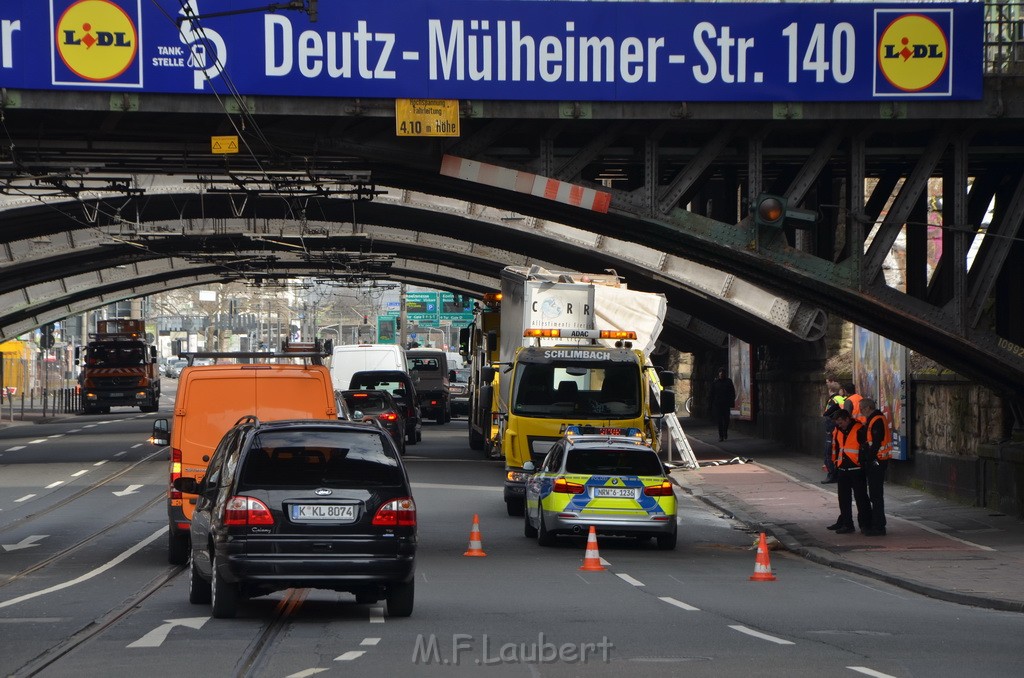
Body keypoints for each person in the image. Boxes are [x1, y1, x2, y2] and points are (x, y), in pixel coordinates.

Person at [826, 409, 872, 534]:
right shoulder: (838, 430)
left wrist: (864, 464)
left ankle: (865, 524)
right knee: (843, 499)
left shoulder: (859, 429)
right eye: (837, 423)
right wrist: (836, 464)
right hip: (843, 468)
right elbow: (836, 448)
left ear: (847, 419)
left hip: (857, 469)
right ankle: (847, 524)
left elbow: (865, 448)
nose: (839, 425)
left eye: (841, 422)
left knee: (861, 498)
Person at [859, 397, 891, 536]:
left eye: (861, 409)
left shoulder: (876, 419)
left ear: (868, 408)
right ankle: (876, 523)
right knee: (875, 494)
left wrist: (869, 458)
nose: (860, 412)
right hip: (877, 459)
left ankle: (879, 526)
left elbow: (876, 443)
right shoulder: (874, 419)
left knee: (876, 494)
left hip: (877, 460)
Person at [820, 377, 845, 484]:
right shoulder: (842, 399)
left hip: (833, 431)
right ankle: (836, 474)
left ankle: (832, 474)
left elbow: (828, 414)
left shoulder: (834, 400)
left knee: (828, 453)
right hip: (839, 430)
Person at [709, 367, 736, 442]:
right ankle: (721, 436)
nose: (721, 375)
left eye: (722, 373)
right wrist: (711, 404)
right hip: (718, 404)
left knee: (726, 419)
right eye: (720, 373)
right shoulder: (715, 382)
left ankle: (725, 432)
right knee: (719, 420)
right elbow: (711, 393)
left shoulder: (728, 382)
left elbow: (732, 392)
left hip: (726, 403)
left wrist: (731, 401)